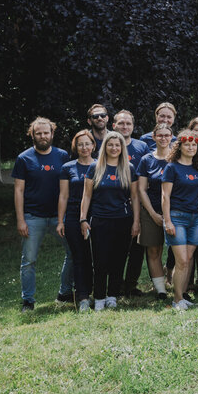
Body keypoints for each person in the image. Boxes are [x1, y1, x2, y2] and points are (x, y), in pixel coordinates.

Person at [13, 117, 73, 312]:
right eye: (38, 133)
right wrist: (21, 220)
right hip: (33, 217)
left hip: (59, 216)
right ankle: (28, 301)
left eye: (46, 132)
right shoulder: (24, 158)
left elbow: (68, 188)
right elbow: (19, 191)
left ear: (52, 134)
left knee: (73, 252)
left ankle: (64, 293)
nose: (42, 136)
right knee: (29, 260)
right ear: (32, 135)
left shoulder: (62, 156)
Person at [78, 131, 140, 311]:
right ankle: (99, 297)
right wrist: (83, 219)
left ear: (122, 148)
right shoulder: (95, 167)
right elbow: (86, 196)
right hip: (99, 220)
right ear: (105, 147)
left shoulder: (129, 168)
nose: (114, 148)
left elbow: (135, 197)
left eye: (117, 145)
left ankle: (112, 295)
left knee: (118, 260)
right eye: (110, 145)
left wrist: (136, 221)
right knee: (100, 260)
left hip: (123, 220)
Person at [162, 130, 198, 310]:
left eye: (194, 145)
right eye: (187, 144)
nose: (190, 147)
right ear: (179, 146)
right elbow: (165, 196)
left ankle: (181, 297)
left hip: (195, 218)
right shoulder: (171, 167)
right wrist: (167, 221)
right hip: (177, 217)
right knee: (181, 260)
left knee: (187, 260)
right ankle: (177, 299)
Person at [57, 130, 96, 312]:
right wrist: (60, 221)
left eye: (87, 143)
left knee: (95, 257)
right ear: (75, 146)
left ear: (93, 146)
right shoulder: (67, 168)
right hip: (73, 216)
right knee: (79, 257)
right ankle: (82, 296)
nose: (84, 147)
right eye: (80, 144)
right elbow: (63, 196)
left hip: (96, 216)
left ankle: (99, 292)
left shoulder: (100, 165)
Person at [112, 109, 150, 297]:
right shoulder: (107, 145)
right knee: (117, 249)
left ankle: (131, 285)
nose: (125, 127)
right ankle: (116, 285)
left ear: (133, 127)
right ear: (114, 126)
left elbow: (147, 174)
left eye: (128, 123)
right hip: (114, 206)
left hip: (137, 205)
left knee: (137, 249)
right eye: (121, 123)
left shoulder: (142, 147)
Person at [135, 124, 174, 301]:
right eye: (160, 135)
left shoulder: (177, 158)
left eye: (167, 135)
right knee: (154, 251)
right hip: (151, 210)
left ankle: (181, 284)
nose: (163, 138)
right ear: (154, 136)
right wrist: (152, 213)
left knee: (180, 250)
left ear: (171, 137)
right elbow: (141, 190)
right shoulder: (146, 160)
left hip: (175, 210)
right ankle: (161, 291)